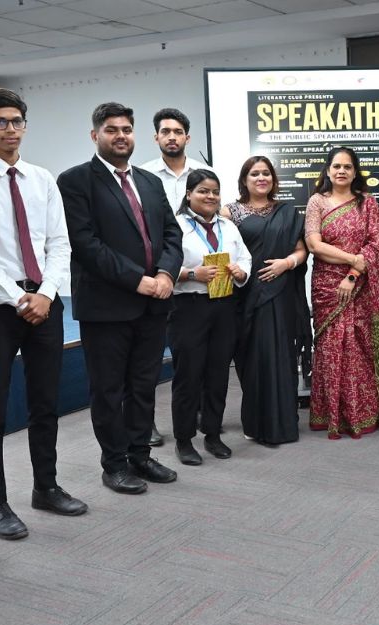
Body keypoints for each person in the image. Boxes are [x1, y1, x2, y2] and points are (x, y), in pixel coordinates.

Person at [0, 88, 87, 541]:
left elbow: (59, 243)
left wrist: (47, 294)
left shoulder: (42, 178)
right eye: (1, 122)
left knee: (45, 403)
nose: (10, 129)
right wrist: (17, 299)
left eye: (17, 122)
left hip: (46, 303)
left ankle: (45, 487)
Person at [58, 101, 182, 491]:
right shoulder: (75, 181)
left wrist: (164, 273)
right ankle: (114, 464)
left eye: (126, 129)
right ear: (95, 135)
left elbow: (172, 235)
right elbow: (86, 245)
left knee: (144, 385)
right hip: (107, 306)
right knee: (109, 390)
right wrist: (138, 280)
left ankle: (140, 455)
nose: (120, 136)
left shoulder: (150, 181)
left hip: (153, 302)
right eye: (111, 130)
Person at [304, 146, 379, 438]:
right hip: (327, 285)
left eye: (347, 167)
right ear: (327, 170)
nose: (341, 171)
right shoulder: (317, 202)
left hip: (360, 285)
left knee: (361, 347)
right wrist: (352, 259)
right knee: (332, 348)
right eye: (336, 166)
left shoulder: (367, 204)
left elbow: (377, 246)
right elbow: (314, 245)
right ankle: (332, 414)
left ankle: (363, 413)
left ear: (355, 171)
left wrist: (353, 274)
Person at [168, 169, 252, 464]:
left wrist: (242, 271)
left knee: (218, 374)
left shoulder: (228, 227)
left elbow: (244, 257)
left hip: (224, 305)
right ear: (189, 194)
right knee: (188, 376)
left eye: (215, 191)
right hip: (188, 307)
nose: (210, 196)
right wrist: (192, 273)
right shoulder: (175, 226)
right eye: (203, 190)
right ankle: (184, 439)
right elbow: (160, 267)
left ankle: (213, 435)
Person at [139, 108, 211, 446]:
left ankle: (193, 413)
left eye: (178, 131)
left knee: (192, 354)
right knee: (150, 357)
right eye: (165, 131)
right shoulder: (144, 176)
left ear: (187, 137)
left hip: (196, 283)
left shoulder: (204, 173)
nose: (172, 136)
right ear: (156, 137)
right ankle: (146, 422)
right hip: (158, 276)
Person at [225, 156, 308, 446]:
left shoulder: (287, 211)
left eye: (266, 173)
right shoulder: (229, 212)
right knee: (251, 358)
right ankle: (256, 421)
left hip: (280, 295)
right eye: (255, 173)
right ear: (244, 179)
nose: (261, 178)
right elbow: (223, 251)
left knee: (281, 357)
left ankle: (282, 423)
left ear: (273, 179)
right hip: (245, 296)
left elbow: (302, 250)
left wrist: (286, 264)